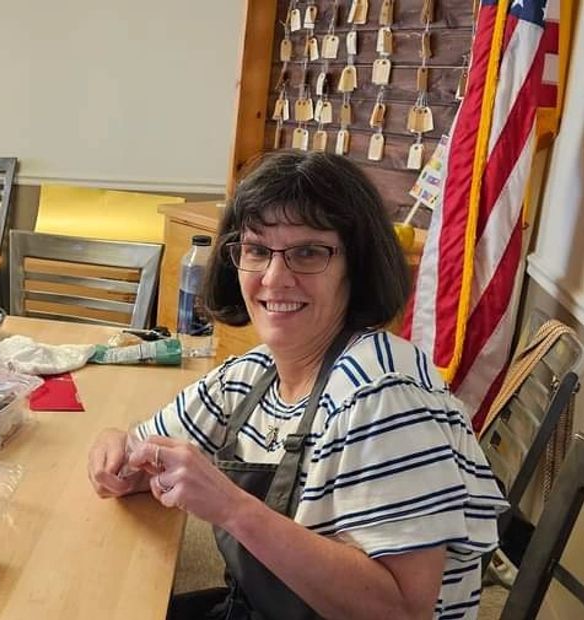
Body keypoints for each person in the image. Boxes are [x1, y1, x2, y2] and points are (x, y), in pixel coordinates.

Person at [86, 151, 507, 620]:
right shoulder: (251, 375)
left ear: (357, 266)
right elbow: (143, 453)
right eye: (257, 250)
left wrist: (231, 507)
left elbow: (404, 611)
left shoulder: (383, 395)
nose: (274, 278)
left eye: (308, 253)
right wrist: (116, 449)